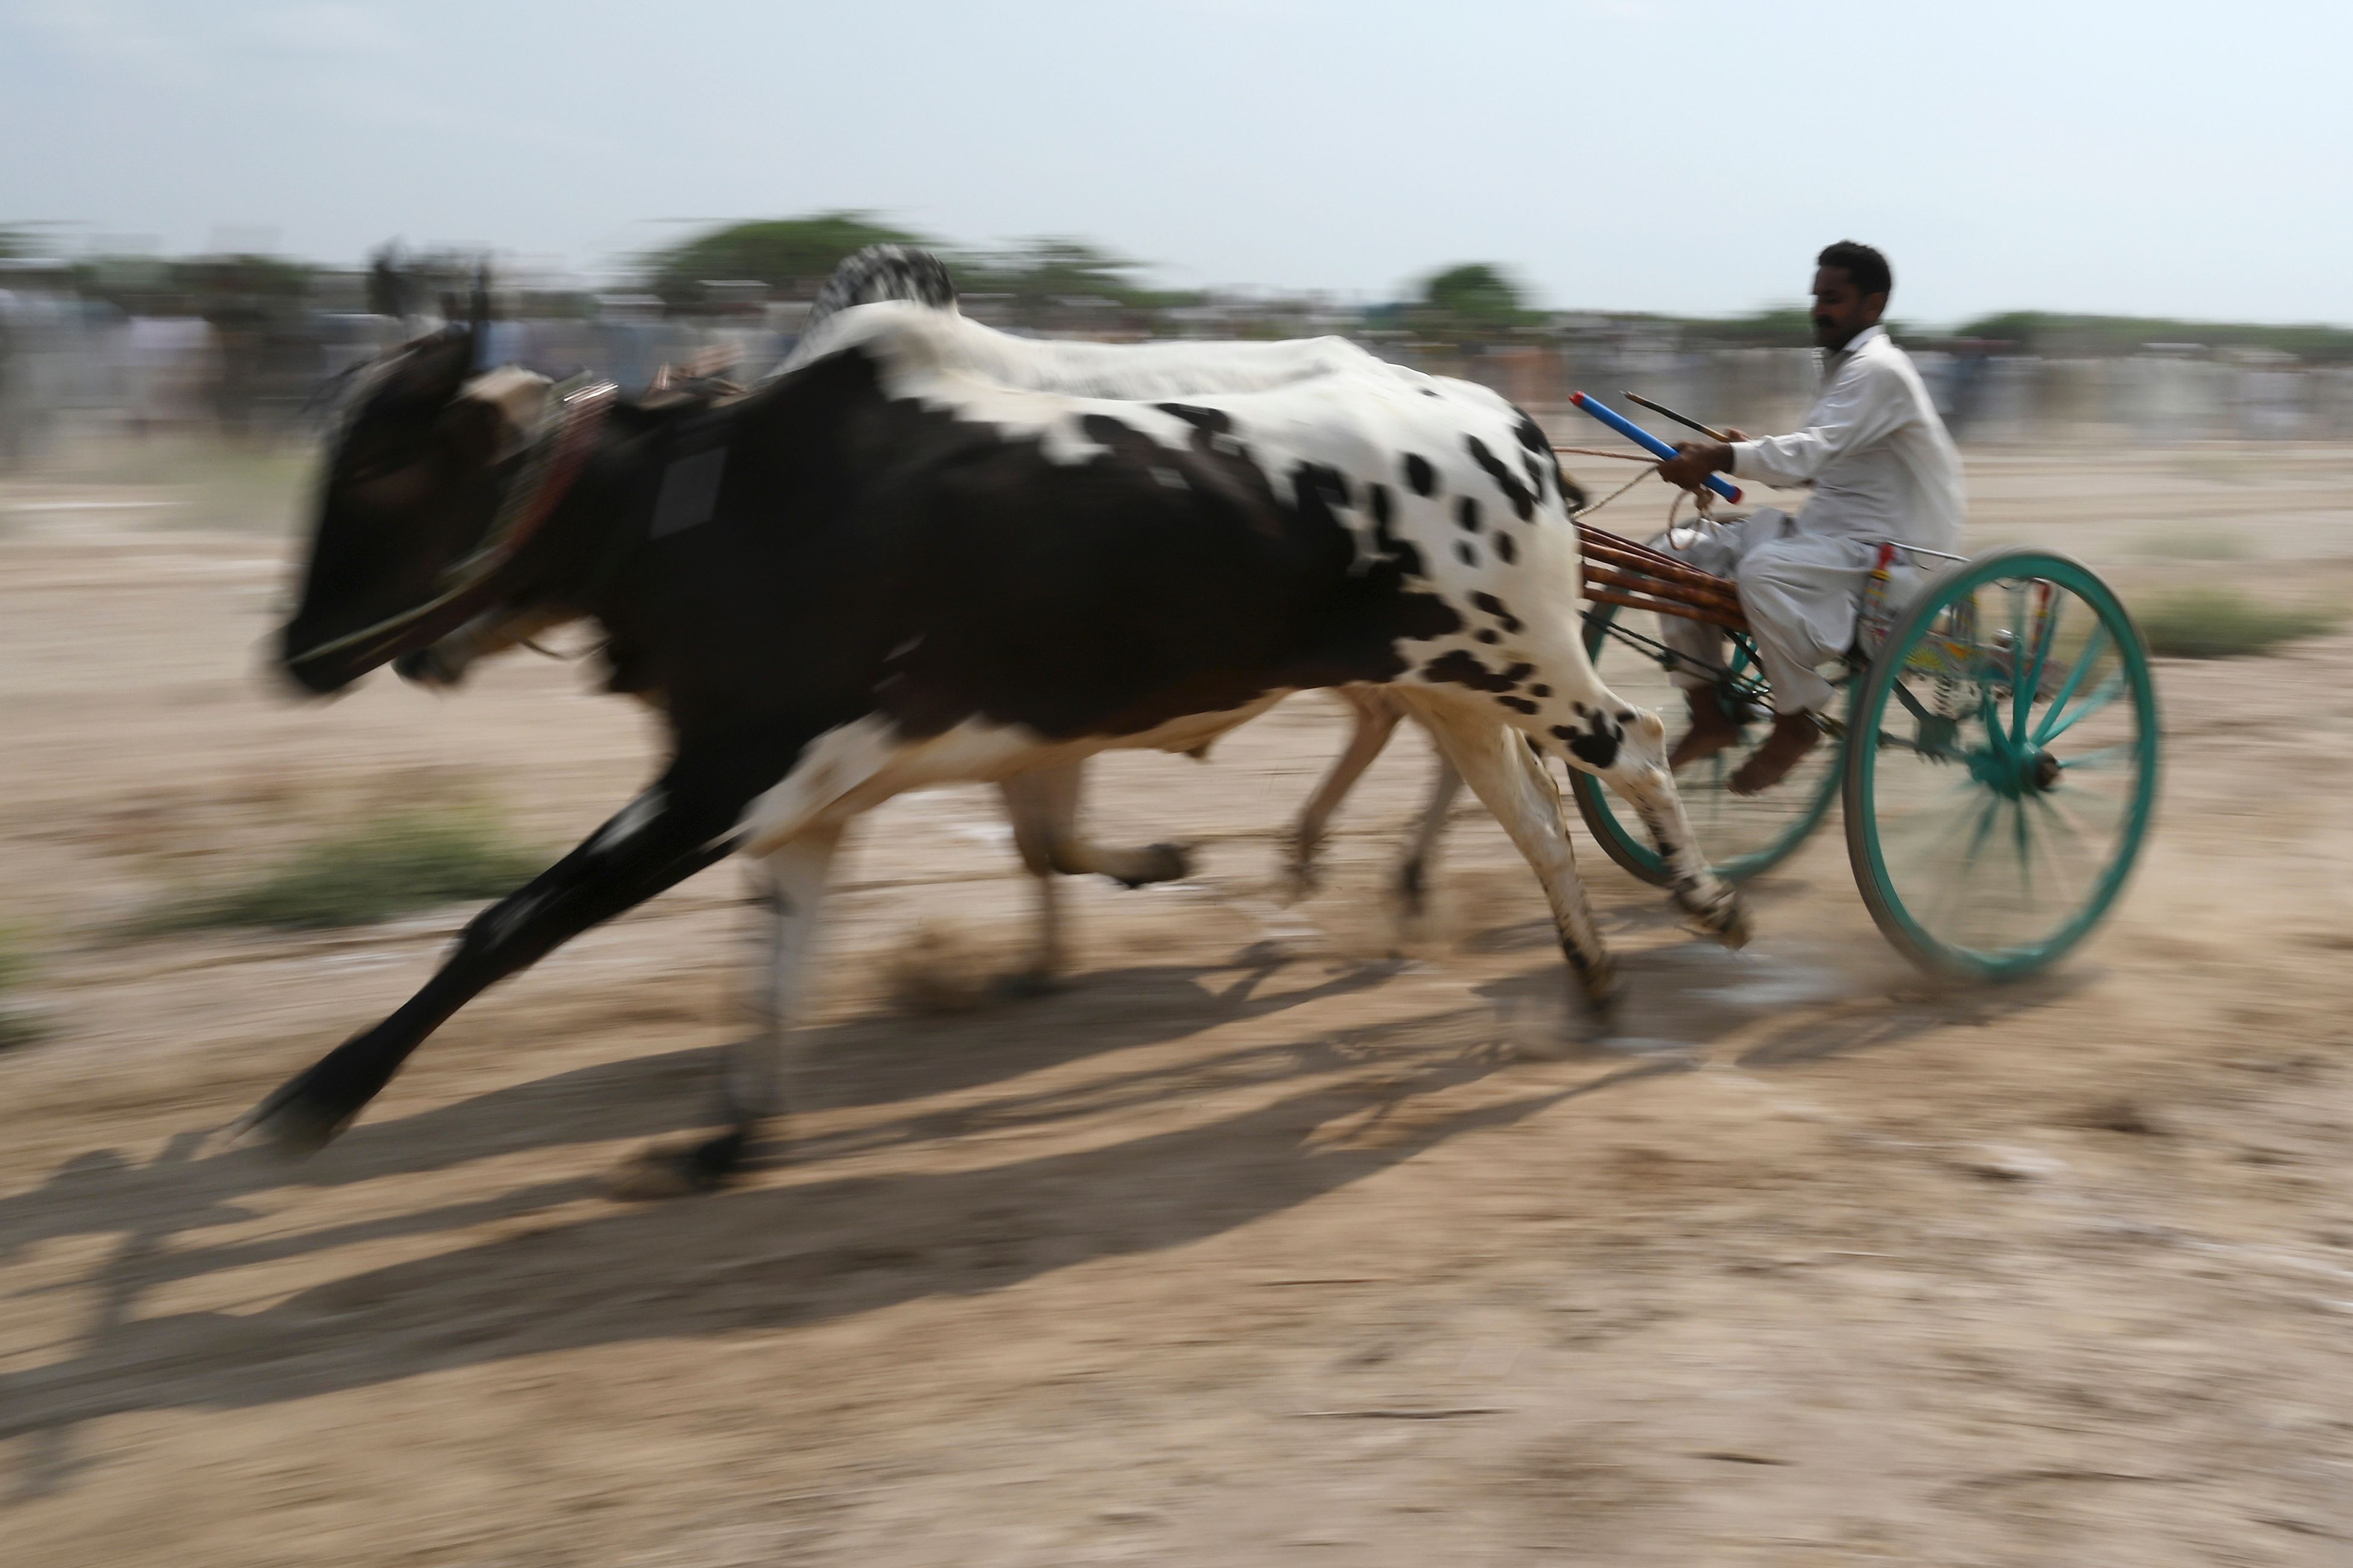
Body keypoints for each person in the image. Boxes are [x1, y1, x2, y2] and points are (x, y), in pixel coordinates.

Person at [1652, 241, 1964, 794]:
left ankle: (1796, 722)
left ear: (1873, 304)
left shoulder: (1878, 369)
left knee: (1764, 572)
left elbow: (1810, 452)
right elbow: (1810, 465)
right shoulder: (1844, 367)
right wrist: (1741, 450)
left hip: (1887, 556)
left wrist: (1721, 458)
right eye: (1817, 297)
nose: (1820, 309)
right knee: (1670, 551)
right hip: (1826, 538)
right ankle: (1708, 711)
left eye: (1834, 298)